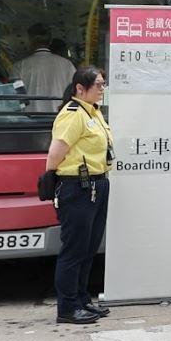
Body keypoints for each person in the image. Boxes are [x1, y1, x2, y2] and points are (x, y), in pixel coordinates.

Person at [42, 67, 113, 325]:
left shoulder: (92, 112)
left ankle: (82, 299)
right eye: (97, 85)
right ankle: (67, 307)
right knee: (74, 250)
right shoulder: (73, 115)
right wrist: (51, 179)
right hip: (78, 187)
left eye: (103, 85)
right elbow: (56, 152)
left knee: (88, 247)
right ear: (79, 88)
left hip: (97, 184)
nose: (102, 89)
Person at [15, 24, 76, 110]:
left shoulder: (20, 66)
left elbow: (16, 99)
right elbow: (75, 93)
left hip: (29, 118)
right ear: (50, 41)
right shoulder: (67, 65)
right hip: (60, 118)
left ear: (30, 41)